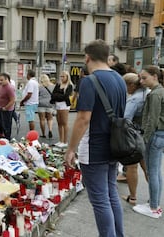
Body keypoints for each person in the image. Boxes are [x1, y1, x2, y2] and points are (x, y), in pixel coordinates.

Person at [64, 39, 126, 237]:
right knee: (111, 194)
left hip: (94, 147)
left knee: (100, 200)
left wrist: (71, 149)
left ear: (87, 57)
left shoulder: (90, 81)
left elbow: (83, 119)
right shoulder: (119, 79)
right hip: (115, 146)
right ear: (107, 57)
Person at [133, 65, 164, 219]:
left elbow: (152, 119)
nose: (142, 81)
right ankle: (154, 203)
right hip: (160, 135)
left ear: (155, 76)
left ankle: (153, 207)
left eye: (144, 77)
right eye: (140, 78)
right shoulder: (159, 92)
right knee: (156, 171)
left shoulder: (155, 94)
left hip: (155, 135)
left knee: (153, 172)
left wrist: (144, 139)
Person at [119, 73, 149, 205]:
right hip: (147, 135)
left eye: (125, 86)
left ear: (131, 85)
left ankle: (133, 197)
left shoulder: (134, 99)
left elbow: (126, 120)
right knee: (147, 167)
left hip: (135, 136)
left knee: (132, 167)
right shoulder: (148, 92)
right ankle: (153, 196)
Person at [51, 71, 74, 147]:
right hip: (57, 105)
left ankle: (65, 141)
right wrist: (59, 95)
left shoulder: (69, 85)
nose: (62, 78)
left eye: (63, 76)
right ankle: (60, 140)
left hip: (64, 105)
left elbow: (65, 96)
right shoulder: (58, 84)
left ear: (67, 77)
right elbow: (53, 94)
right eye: (61, 76)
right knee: (59, 123)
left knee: (64, 123)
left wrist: (58, 96)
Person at [0, 72, 15, 140]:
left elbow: (12, 100)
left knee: (7, 126)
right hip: (0, 107)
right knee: (1, 124)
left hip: (7, 110)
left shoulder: (9, 88)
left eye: (1, 80)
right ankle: (2, 136)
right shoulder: (0, 86)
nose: (0, 82)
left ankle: (7, 138)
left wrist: (5, 107)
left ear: (6, 79)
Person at [37, 74, 55, 138]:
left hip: (41, 104)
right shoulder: (53, 86)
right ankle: (50, 130)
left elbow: (37, 95)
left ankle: (43, 134)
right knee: (50, 119)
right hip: (50, 104)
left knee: (42, 120)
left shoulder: (39, 87)